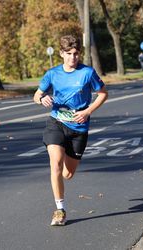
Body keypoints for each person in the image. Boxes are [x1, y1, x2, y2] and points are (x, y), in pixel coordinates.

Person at [33, 34, 108, 226]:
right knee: (55, 164)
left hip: (79, 128)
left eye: (76, 54)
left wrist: (88, 111)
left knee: (68, 174)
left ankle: (64, 177)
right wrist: (42, 99)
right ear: (61, 54)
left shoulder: (87, 73)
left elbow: (103, 93)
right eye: (68, 54)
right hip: (56, 123)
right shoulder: (52, 74)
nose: (73, 58)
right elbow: (37, 94)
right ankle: (60, 209)